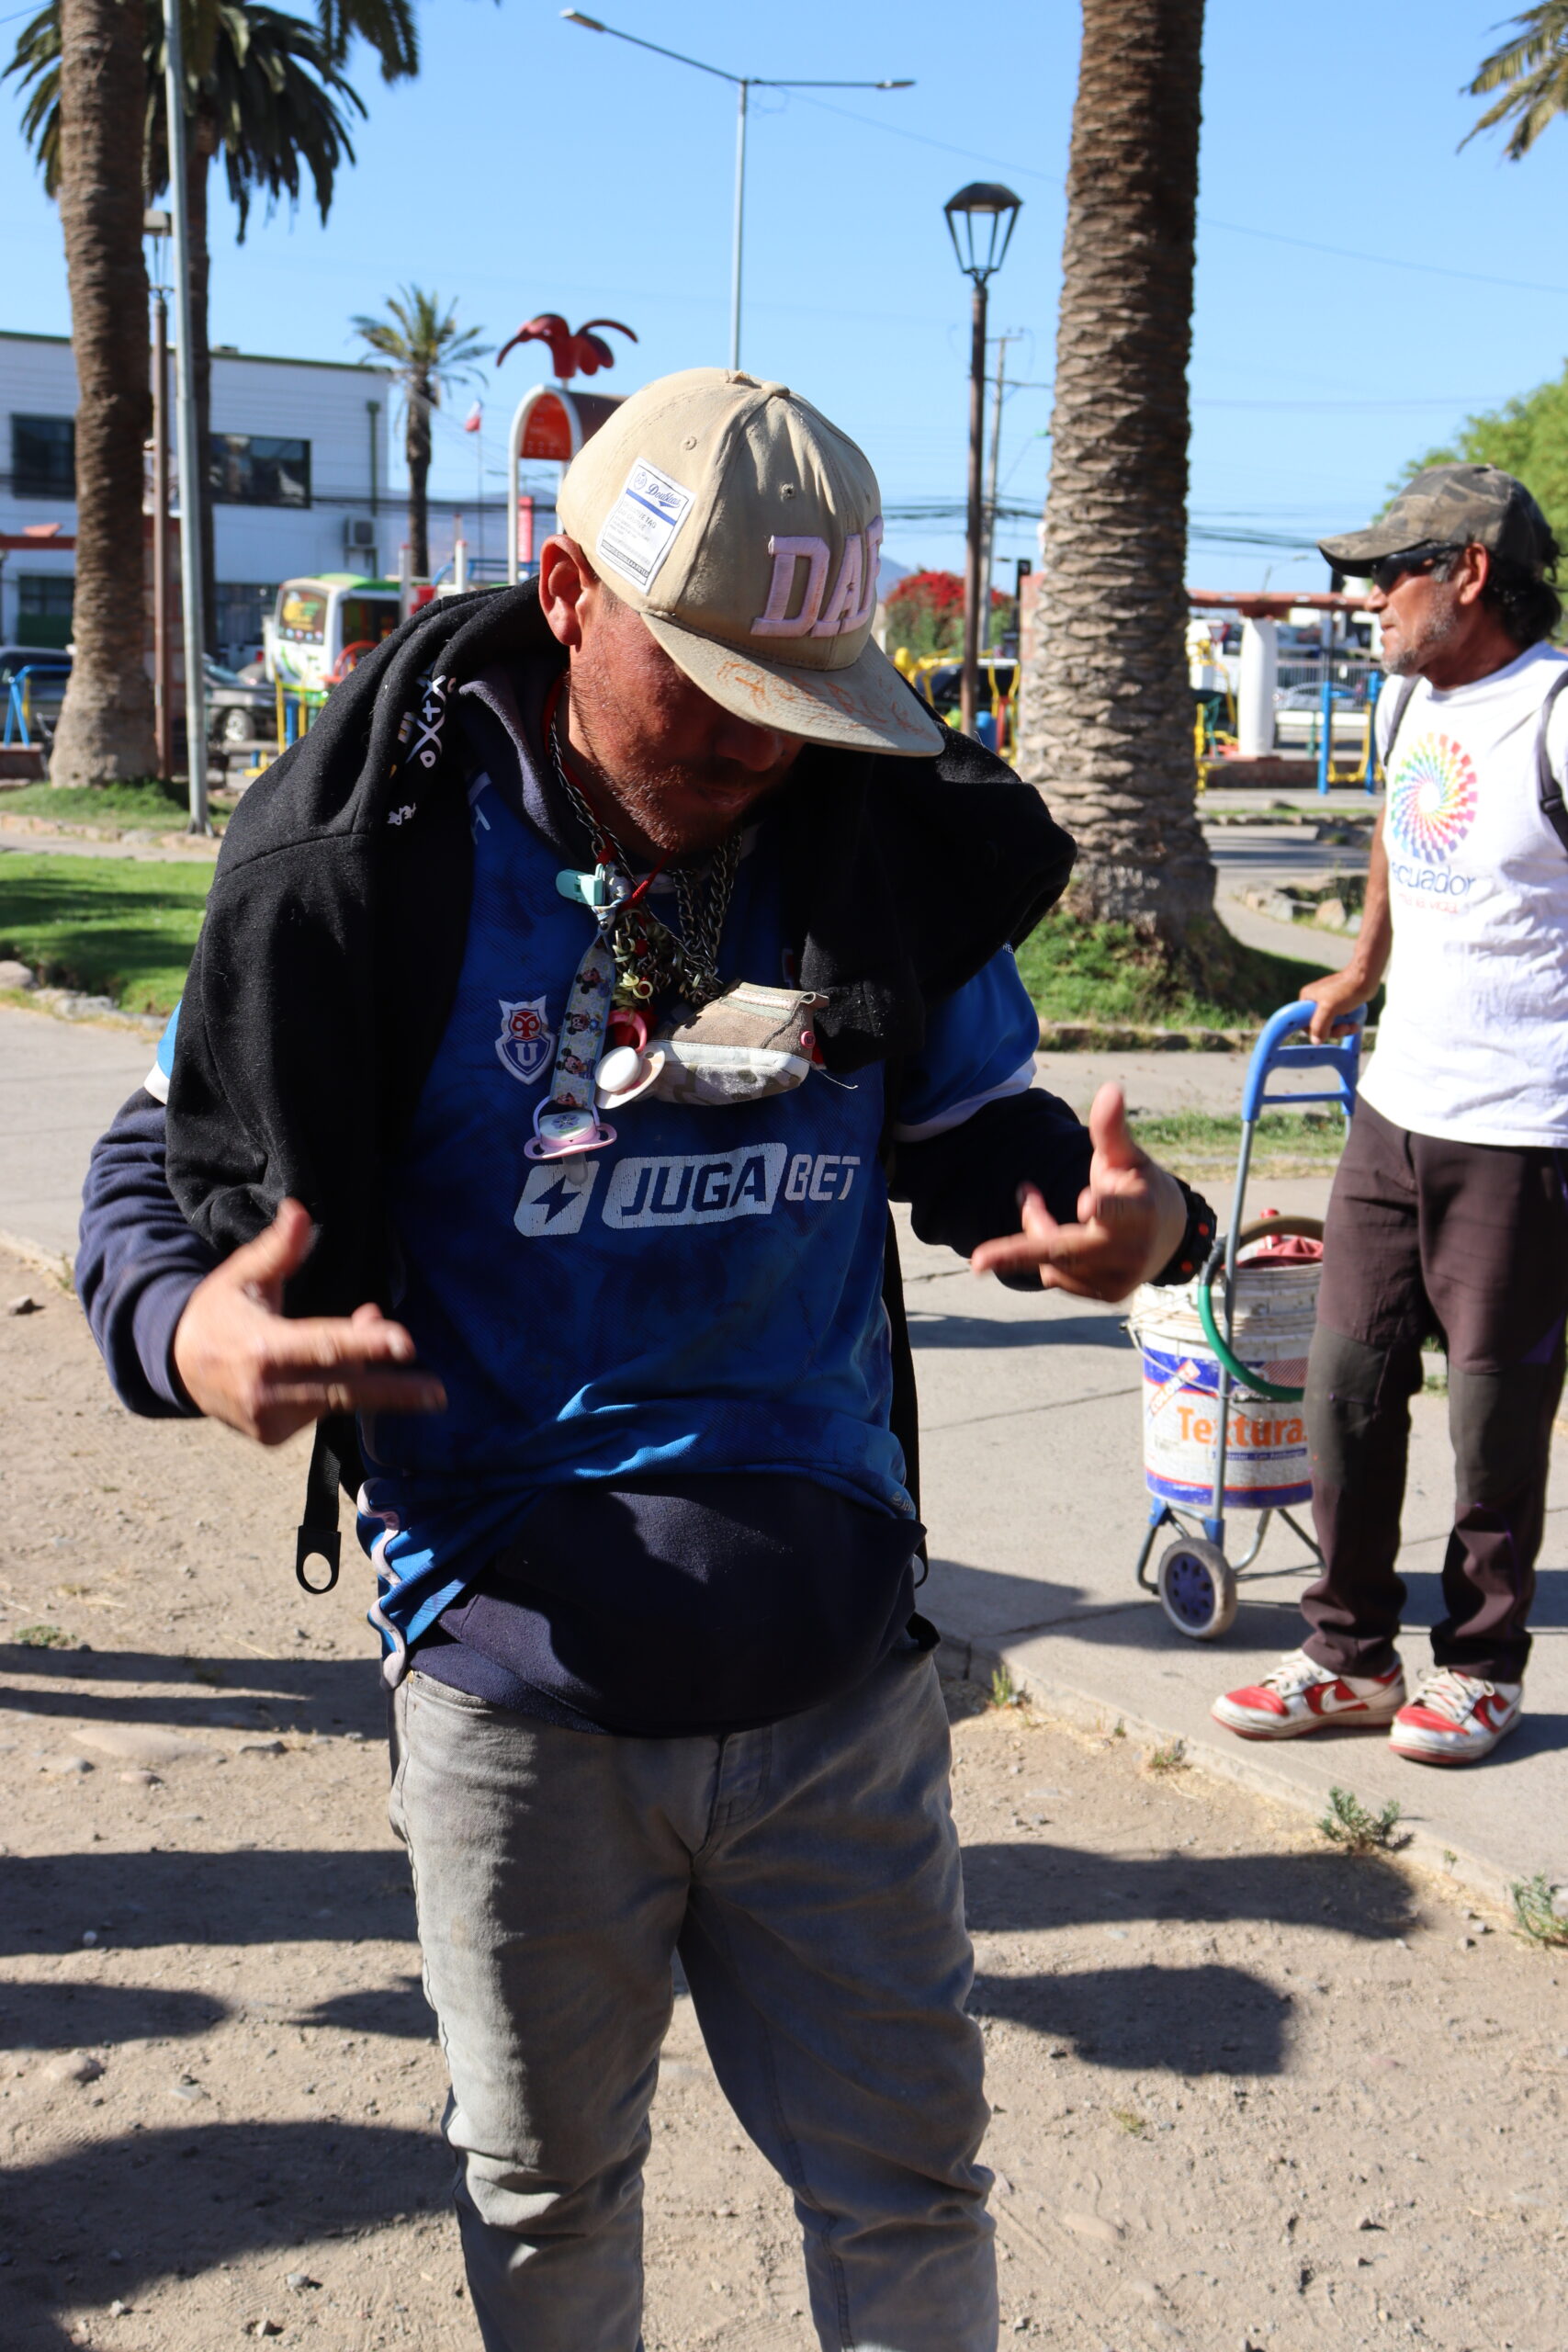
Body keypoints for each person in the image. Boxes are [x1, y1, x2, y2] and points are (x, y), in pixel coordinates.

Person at [79, 368, 1214, 2352]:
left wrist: (1130, 1222)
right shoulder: (370, 857)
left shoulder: (857, 823)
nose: (756, 748)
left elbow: (979, 1128)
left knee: (909, 2185)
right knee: (542, 2194)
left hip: (841, 1683)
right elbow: (162, 1167)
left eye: (800, 702)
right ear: (567, 592)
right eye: (708, 687)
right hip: (514, 1696)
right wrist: (193, 1327)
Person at [1213, 462, 1568, 1768]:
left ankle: (1479, 1666)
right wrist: (1363, 964)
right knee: (1346, 1389)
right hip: (1394, 1104)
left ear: (1469, 573)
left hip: (1523, 1125)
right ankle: (1350, 1655)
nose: (1369, 598)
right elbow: (1395, 824)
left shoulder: (1556, 714)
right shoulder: (1412, 698)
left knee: (1493, 1417)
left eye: (1391, 572)